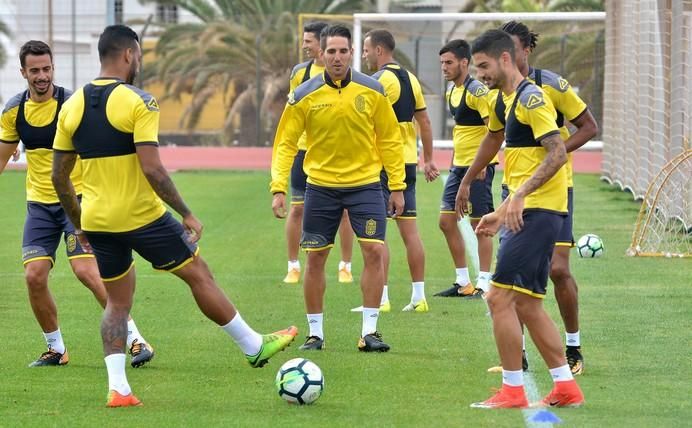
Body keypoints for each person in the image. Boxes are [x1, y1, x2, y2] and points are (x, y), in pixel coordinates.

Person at [51, 25, 297, 408]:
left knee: (117, 303)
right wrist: (186, 213)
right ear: (130, 54)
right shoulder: (139, 101)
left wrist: (80, 222)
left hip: (98, 221)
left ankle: (119, 389)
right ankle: (253, 345)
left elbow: (59, 176)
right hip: (142, 217)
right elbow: (153, 169)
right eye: (140, 57)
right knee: (198, 274)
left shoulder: (71, 106)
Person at [0, 40, 153, 368]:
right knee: (34, 277)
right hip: (39, 206)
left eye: (46, 68)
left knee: (86, 270)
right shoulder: (14, 110)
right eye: (35, 70)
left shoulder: (73, 104)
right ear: (23, 72)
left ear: (53, 68)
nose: (42, 76)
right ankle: (56, 349)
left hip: (76, 200)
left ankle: (136, 340)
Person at [458, 29, 584, 408]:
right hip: (528, 211)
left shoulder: (531, 97)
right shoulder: (509, 100)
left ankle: (513, 390)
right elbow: (522, 161)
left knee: (498, 298)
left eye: (484, 66)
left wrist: (521, 198)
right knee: (527, 304)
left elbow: (558, 153)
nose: (480, 74)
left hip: (538, 212)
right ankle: (565, 386)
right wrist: (500, 210)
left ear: (506, 59)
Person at [271, 24, 405, 352]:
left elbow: (389, 138)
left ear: (352, 52)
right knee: (316, 259)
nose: (337, 57)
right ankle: (315, 334)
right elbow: (285, 143)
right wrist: (278, 187)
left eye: (343, 51)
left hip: (366, 186)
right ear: (321, 54)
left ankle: (370, 332)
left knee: (374, 251)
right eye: (330, 51)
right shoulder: (303, 94)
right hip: (321, 188)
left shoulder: (373, 90)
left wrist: (398, 186)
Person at [494, 21, 599, 375]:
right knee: (513, 275)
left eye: (511, 48)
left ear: (526, 50)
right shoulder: (501, 91)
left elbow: (588, 126)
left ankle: (573, 347)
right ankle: (517, 355)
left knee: (557, 269)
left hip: (553, 189)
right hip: (516, 190)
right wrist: (468, 177)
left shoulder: (550, 86)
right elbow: (495, 135)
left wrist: (555, 154)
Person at [353, 28, 438, 313]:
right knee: (411, 233)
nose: (364, 55)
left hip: (384, 165)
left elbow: (365, 123)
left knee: (377, 236)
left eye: (366, 49)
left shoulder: (377, 81)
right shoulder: (410, 78)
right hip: (408, 163)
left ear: (379, 50)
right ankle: (419, 297)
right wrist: (428, 158)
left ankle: (382, 298)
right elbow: (424, 121)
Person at [282, 21, 356, 285]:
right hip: (304, 153)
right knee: (297, 210)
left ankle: (345, 265)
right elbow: (292, 114)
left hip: (340, 156)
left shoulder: (350, 76)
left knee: (345, 213)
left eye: (308, 41)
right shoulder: (300, 74)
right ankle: (293, 265)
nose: (304, 45)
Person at [434, 39, 494, 299]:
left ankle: (484, 282)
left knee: (479, 224)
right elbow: (461, 131)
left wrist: (481, 164)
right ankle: (462, 282)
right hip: (458, 167)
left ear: (464, 63)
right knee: (446, 221)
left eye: (449, 62)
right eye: (442, 63)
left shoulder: (477, 91)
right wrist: (454, 162)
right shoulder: (452, 91)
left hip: (478, 168)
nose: (444, 67)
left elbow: (494, 129)